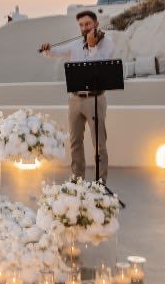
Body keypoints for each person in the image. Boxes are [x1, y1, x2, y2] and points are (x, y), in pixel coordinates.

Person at [40, 10, 114, 182]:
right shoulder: (74, 45)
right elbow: (56, 52)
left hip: (95, 98)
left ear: (95, 24)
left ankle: (101, 182)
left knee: (99, 144)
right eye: (81, 25)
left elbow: (100, 65)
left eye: (87, 24)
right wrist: (48, 49)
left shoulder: (107, 42)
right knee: (75, 142)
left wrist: (92, 45)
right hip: (75, 100)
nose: (84, 27)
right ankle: (77, 179)